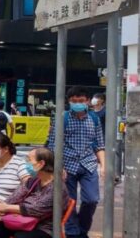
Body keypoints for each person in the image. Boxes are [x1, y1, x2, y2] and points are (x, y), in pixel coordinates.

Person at [47, 86, 105, 238]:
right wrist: (58, 167)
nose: (77, 103)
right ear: (68, 102)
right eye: (74, 101)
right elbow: (53, 145)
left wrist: (104, 165)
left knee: (92, 199)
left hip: (89, 164)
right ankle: (74, 233)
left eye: (81, 101)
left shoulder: (94, 118)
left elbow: (99, 144)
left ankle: (82, 229)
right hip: (67, 165)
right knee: (69, 202)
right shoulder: (62, 118)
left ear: (87, 101)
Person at [0, 147, 68, 238]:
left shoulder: (57, 188)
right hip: (22, 221)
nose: (26, 163)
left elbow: (34, 209)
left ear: (41, 163)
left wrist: (6, 208)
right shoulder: (33, 181)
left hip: (43, 228)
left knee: (20, 236)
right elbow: (15, 196)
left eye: (29, 160)